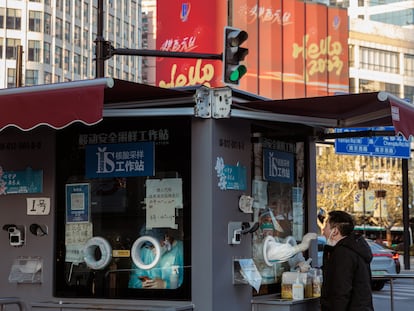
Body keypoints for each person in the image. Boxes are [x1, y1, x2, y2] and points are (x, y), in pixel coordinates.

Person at [320, 210, 374, 311]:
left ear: (335, 231)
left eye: (326, 226)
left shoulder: (343, 253)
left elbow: (340, 290)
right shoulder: (354, 248)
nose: (323, 230)